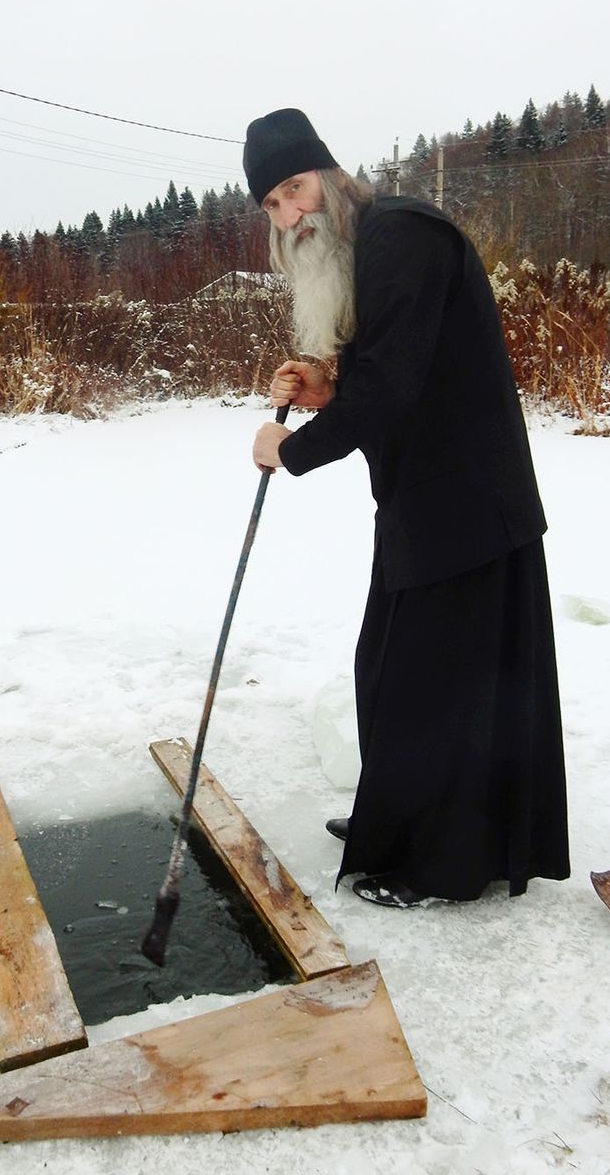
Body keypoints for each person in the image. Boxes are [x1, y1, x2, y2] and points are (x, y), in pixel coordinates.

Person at [243, 108, 570, 908]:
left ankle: (439, 868)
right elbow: (396, 365)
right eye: (274, 207)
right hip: (428, 502)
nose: (292, 215)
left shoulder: (403, 234)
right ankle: (395, 823)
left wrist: (291, 450)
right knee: (392, 672)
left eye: (295, 188)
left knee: (436, 692)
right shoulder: (372, 246)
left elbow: (393, 388)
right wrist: (329, 387)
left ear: (329, 170)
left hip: (466, 504)